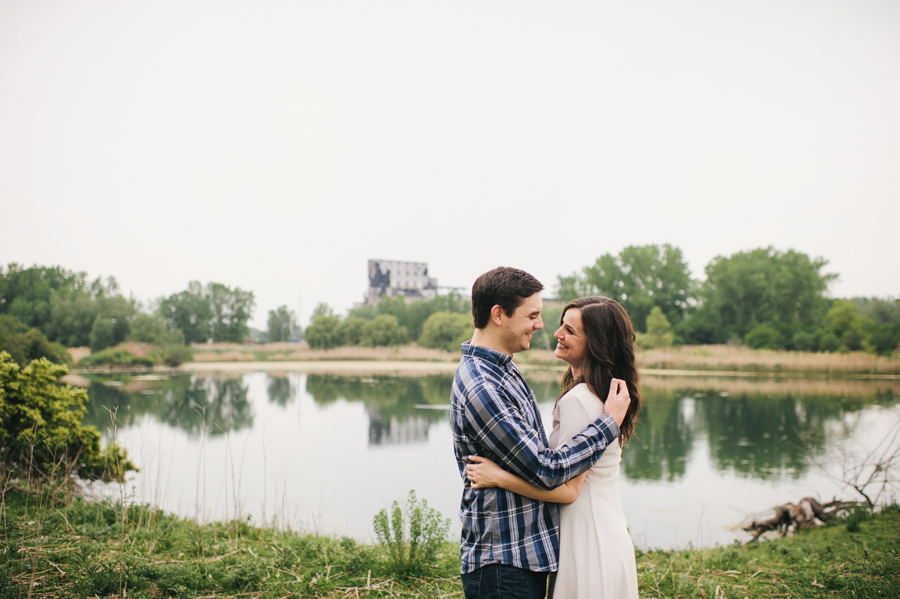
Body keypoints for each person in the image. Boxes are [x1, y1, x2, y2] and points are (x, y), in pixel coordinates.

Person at [451, 268, 632, 599]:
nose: (543, 326)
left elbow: (552, 472)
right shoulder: (484, 386)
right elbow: (547, 468)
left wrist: (501, 477)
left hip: (527, 554)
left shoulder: (505, 371)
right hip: (504, 559)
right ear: (498, 315)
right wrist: (608, 423)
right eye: (533, 314)